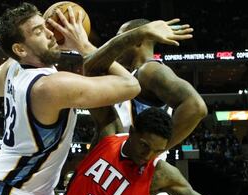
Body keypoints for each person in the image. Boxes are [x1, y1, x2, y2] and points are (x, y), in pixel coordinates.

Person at [0, 3, 193, 195]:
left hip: (26, 188)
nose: (52, 33)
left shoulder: (14, 67)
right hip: (10, 190)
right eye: (40, 32)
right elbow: (130, 86)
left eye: (47, 25)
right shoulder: (50, 86)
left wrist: (38, 42)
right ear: (20, 49)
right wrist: (83, 44)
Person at [62, 108, 248, 195]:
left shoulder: (162, 174)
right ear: (133, 132)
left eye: (158, 150)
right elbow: (93, 68)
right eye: (145, 146)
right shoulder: (108, 136)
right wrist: (137, 35)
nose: (149, 155)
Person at [86, 18, 207, 151]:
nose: (117, 45)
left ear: (137, 41)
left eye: (121, 38)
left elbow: (196, 107)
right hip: (116, 165)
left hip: (133, 168)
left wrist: (151, 153)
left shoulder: (149, 70)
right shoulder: (134, 74)